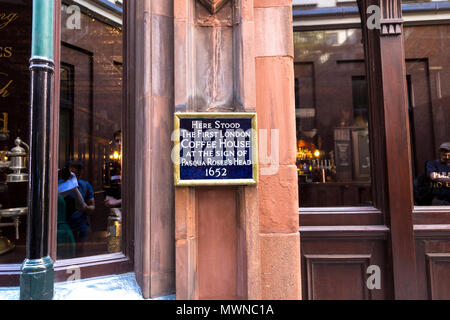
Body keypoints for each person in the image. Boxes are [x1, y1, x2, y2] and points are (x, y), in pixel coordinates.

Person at [59, 160, 95, 254]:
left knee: (80, 252)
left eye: (77, 173)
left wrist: (86, 208)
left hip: (80, 223)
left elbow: (92, 208)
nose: (75, 175)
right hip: (63, 224)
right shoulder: (59, 184)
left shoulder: (85, 185)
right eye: (72, 172)